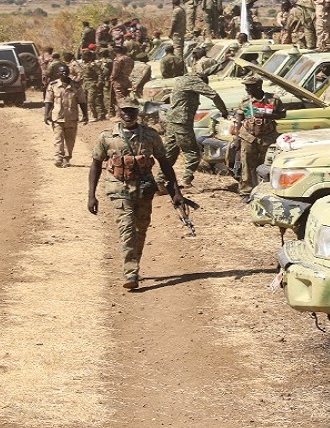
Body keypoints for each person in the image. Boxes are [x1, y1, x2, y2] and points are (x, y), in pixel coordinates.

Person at [88, 98, 186, 290]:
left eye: (132, 111)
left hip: (144, 190)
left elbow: (164, 162)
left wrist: (175, 191)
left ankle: (134, 264)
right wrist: (91, 195)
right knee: (127, 230)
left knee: (141, 230)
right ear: (118, 111)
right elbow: (96, 165)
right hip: (119, 190)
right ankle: (130, 273)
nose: (128, 114)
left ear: (138, 112)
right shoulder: (107, 136)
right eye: (124, 110)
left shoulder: (150, 135)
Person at [163, 59, 230, 188]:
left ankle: (160, 181)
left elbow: (206, 72)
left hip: (172, 121)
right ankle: (186, 181)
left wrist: (223, 63)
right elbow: (213, 95)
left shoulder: (186, 78)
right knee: (193, 154)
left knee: (170, 152)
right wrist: (224, 112)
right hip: (182, 122)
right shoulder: (195, 81)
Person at [232, 75, 287, 194]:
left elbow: (282, 114)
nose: (246, 89)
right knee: (246, 164)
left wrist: (267, 116)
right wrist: (236, 138)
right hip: (248, 137)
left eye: (249, 86)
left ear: (258, 86)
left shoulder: (273, 100)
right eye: (246, 86)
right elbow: (239, 118)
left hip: (267, 137)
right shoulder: (245, 101)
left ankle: (267, 189)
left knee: (268, 165)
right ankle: (246, 192)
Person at [43, 63, 89, 167]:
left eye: (66, 71)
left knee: (70, 140)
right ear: (58, 74)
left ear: (69, 73)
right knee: (58, 138)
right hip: (57, 117)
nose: (64, 73)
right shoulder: (53, 85)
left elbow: (82, 101)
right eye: (61, 71)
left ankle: (67, 158)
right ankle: (58, 158)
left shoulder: (76, 86)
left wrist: (85, 115)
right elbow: (48, 101)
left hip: (71, 118)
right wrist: (46, 114)